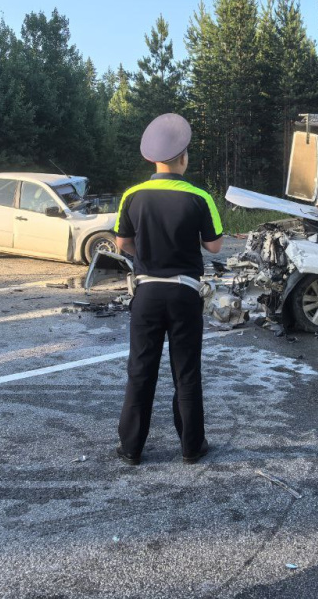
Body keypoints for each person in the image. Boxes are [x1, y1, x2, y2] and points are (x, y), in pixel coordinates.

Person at [113, 113, 224, 466]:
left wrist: (146, 252)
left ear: (153, 158)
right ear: (183, 158)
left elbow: (121, 243)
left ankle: (131, 448)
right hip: (184, 293)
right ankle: (192, 447)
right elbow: (215, 247)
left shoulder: (132, 195)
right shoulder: (199, 197)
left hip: (146, 293)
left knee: (140, 371)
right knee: (186, 371)